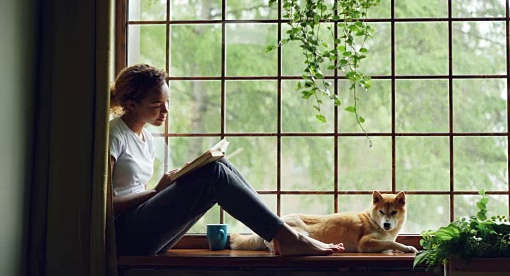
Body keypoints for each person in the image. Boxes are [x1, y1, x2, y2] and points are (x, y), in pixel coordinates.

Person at [109, 63, 344, 256]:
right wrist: (155, 192)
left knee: (216, 165)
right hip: (124, 237)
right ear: (131, 105)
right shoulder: (112, 135)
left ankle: (278, 235)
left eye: (167, 102)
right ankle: (286, 236)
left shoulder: (146, 138)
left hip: (143, 229)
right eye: (156, 105)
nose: (166, 111)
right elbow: (102, 205)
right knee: (214, 176)